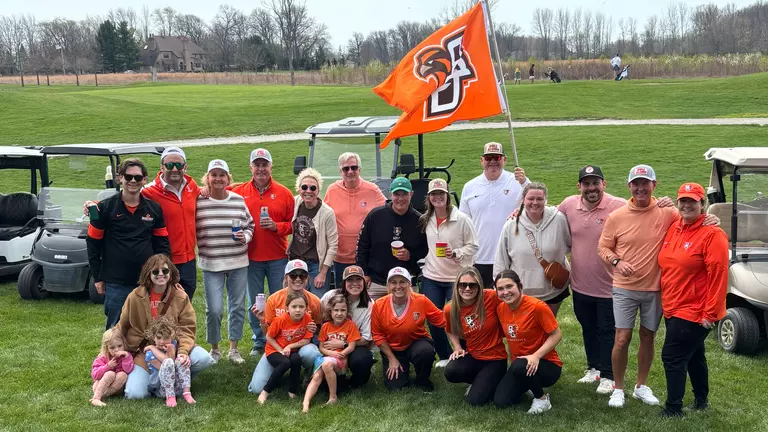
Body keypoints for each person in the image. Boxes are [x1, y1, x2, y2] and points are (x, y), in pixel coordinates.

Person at [598, 165, 718, 408]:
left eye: (646, 183)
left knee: (648, 337)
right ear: (629, 186)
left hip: (655, 288)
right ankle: (618, 388)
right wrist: (617, 261)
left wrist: (710, 219)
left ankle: (641, 386)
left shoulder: (668, 212)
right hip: (624, 287)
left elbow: (691, 219)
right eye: (636, 183)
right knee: (622, 338)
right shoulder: (616, 216)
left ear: (655, 185)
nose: (640, 188)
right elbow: (603, 248)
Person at [657, 183, 728, 417]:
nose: (687, 205)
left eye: (692, 201)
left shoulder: (712, 234)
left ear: (702, 204)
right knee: (695, 353)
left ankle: (673, 409)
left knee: (672, 356)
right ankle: (701, 400)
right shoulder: (675, 226)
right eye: (683, 200)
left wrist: (711, 313)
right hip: (672, 306)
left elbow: (719, 275)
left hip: (695, 309)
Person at [557, 165, 626, 393]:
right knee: (588, 327)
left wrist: (663, 203)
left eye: (596, 183)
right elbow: (545, 216)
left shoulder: (619, 206)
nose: (591, 188)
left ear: (604, 184)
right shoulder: (569, 205)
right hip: (580, 285)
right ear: (579, 187)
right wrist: (517, 210)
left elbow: (644, 211)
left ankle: (608, 375)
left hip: (609, 286)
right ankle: (594, 368)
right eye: (586, 183)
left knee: (607, 331)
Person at [87, 158, 171, 329]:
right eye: (128, 176)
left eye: (138, 178)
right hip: (116, 281)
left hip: (148, 280)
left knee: (148, 327)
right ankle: (112, 357)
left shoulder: (154, 209)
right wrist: (98, 277)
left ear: (144, 180)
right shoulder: (104, 208)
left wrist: (164, 275)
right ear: (120, 178)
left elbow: (162, 245)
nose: (133, 181)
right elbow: (93, 244)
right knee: (116, 330)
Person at [118, 254, 214, 400]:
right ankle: (159, 383)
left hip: (172, 349)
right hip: (144, 354)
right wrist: (110, 350)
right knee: (135, 394)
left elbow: (187, 328)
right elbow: (122, 326)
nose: (161, 274)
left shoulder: (180, 296)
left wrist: (182, 352)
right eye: (155, 271)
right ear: (148, 274)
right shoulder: (134, 297)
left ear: (171, 273)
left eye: (165, 271)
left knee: (204, 358)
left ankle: (175, 382)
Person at [230, 148, 295, 356]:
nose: (260, 169)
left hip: (278, 257)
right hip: (250, 258)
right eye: (256, 165)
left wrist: (277, 227)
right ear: (251, 167)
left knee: (279, 300)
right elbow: (216, 190)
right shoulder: (239, 192)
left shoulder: (284, 193)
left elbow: (293, 224)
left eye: (264, 164)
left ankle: (280, 336)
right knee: (255, 303)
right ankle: (259, 341)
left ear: (271, 166)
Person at [196, 159, 254, 364]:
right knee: (214, 309)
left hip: (237, 261)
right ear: (208, 179)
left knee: (237, 306)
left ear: (228, 178)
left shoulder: (238, 200)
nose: (218, 178)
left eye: (222, 175)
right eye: (214, 174)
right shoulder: (199, 201)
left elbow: (250, 226)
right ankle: (214, 348)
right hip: (211, 263)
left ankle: (234, 348)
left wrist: (245, 237)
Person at [420, 178, 478, 367]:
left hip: (457, 277)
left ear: (447, 196)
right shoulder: (425, 219)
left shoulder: (461, 219)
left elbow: (474, 245)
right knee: (434, 318)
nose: (437, 197)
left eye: (441, 194)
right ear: (429, 198)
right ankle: (444, 355)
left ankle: (463, 353)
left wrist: (456, 253)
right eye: (433, 194)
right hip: (431, 276)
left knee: (458, 318)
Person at [494, 182, 571, 316]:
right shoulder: (511, 224)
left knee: (549, 331)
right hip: (522, 293)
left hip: (553, 290)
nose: (535, 202)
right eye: (530, 199)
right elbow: (501, 258)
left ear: (545, 200)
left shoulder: (559, 219)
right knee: (526, 333)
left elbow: (572, 245)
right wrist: (499, 286)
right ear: (523, 200)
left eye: (540, 199)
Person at [248, 259, 323, 395]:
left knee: (311, 353)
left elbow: (318, 329)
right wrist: (262, 320)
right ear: (286, 277)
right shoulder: (274, 299)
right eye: (293, 275)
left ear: (307, 278)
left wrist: (314, 330)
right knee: (256, 389)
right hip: (277, 347)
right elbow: (268, 334)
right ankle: (280, 371)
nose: (298, 279)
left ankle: (308, 372)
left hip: (302, 347)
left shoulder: (315, 301)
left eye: (302, 275)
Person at [460, 142, 529, 288]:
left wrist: (524, 181)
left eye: (496, 158)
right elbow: (463, 224)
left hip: (510, 255)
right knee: (482, 302)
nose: (492, 162)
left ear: (504, 160)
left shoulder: (517, 181)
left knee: (508, 300)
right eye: (488, 158)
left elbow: (536, 201)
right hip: (479, 257)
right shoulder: (470, 186)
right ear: (482, 161)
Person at [494, 270, 563, 414]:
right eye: (500, 289)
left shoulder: (537, 307)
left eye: (509, 286)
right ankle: (530, 385)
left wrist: (536, 356)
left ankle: (542, 399)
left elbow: (556, 334)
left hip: (546, 364)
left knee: (520, 364)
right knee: (501, 401)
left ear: (520, 286)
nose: (505, 292)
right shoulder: (501, 309)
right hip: (518, 367)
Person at [371, 267, 446, 391]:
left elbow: (441, 319)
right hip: (392, 348)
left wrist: (460, 320)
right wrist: (391, 358)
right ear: (388, 286)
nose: (398, 286)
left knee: (425, 352)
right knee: (396, 387)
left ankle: (422, 380)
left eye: (402, 282)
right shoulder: (379, 305)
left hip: (416, 343)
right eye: (393, 282)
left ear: (409, 284)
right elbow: (377, 335)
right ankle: (400, 366)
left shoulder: (421, 300)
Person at [142, 147, 201, 299]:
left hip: (188, 260)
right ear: (161, 168)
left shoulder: (191, 187)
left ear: (185, 167)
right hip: (164, 260)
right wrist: (94, 204)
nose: (174, 169)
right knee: (163, 305)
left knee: (184, 306)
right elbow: (124, 198)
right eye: (169, 165)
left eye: (179, 165)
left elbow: (217, 188)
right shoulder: (149, 192)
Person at [443, 267, 507, 406]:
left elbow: (511, 304)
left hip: (495, 358)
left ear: (479, 286)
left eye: (472, 285)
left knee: (475, 401)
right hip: (473, 355)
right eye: (462, 284)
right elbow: (449, 329)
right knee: (451, 371)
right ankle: (480, 381)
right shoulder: (451, 308)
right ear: (457, 286)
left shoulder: (491, 297)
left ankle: (496, 381)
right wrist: (457, 347)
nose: (467, 288)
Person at [356, 177, 428, 300]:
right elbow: (362, 246)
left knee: (407, 318)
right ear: (390, 194)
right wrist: (365, 273)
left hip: (406, 283)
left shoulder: (419, 220)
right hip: (376, 282)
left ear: (411, 194)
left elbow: (426, 249)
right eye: (396, 194)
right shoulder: (375, 215)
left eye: (404, 194)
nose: (400, 198)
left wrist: (410, 255)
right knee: (372, 317)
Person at [324, 152, 386, 288]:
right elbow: (324, 217)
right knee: (342, 298)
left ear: (359, 170)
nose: (350, 171)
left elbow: (386, 214)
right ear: (341, 171)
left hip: (365, 257)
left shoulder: (372, 190)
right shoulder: (332, 190)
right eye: (346, 169)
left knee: (363, 297)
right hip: (340, 256)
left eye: (354, 168)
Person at [303, 294, 362, 412]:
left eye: (343, 310)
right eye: (336, 310)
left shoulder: (350, 325)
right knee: (317, 376)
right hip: (327, 357)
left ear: (347, 312)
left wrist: (342, 353)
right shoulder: (325, 326)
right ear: (330, 311)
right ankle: (306, 402)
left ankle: (332, 397)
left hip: (340, 360)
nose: (339, 313)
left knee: (326, 365)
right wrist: (330, 353)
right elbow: (321, 347)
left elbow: (352, 345)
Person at [320, 265, 374, 390]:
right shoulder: (330, 296)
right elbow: (319, 318)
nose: (354, 284)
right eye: (350, 280)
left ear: (364, 283)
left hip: (355, 345)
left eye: (358, 280)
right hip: (329, 343)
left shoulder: (369, 305)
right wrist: (325, 342)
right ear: (343, 283)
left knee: (362, 360)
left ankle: (356, 381)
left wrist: (343, 344)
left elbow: (366, 339)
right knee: (325, 388)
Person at [289, 168, 338, 298]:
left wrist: (323, 273)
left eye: (313, 188)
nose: (308, 191)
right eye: (304, 187)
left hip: (316, 265)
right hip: (295, 262)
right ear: (299, 189)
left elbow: (333, 245)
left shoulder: (327, 213)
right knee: (294, 302)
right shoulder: (294, 203)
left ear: (318, 190)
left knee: (317, 303)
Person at [259, 290, 315, 404]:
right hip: (274, 349)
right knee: (285, 363)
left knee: (296, 359)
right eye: (294, 306)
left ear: (306, 308)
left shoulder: (307, 318)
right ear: (287, 308)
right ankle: (265, 392)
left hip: (290, 349)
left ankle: (292, 391)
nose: (298, 310)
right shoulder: (280, 320)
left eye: (301, 306)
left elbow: (307, 339)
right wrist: (280, 350)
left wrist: (289, 346)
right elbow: (269, 337)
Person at [143, 315, 196, 407]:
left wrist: (173, 351)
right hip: (161, 387)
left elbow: (174, 365)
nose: (162, 341)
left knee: (180, 360)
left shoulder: (173, 345)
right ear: (153, 337)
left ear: (171, 338)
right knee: (168, 362)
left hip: (176, 385)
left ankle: (186, 393)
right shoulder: (150, 354)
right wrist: (152, 347)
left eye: (166, 338)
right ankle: (170, 396)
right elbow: (167, 365)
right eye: (159, 338)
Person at [90, 328, 134, 407]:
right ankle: (96, 398)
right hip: (99, 385)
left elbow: (129, 370)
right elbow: (95, 375)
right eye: (112, 348)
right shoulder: (102, 358)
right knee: (110, 374)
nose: (117, 349)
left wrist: (126, 356)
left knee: (123, 374)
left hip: (117, 389)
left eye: (120, 346)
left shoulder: (126, 356)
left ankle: (102, 395)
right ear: (106, 348)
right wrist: (107, 366)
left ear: (124, 344)